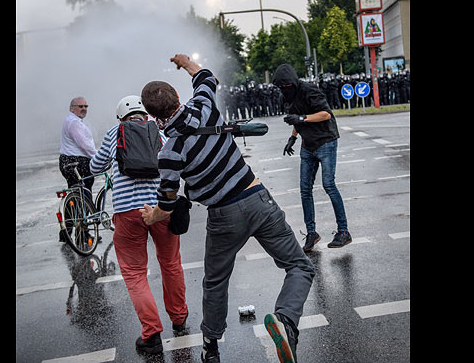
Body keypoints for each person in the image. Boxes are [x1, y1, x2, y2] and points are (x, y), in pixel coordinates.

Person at [139, 54, 315, 363]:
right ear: (179, 98)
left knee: (215, 282)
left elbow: (167, 204)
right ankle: (286, 321)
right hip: (258, 199)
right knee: (299, 266)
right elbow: (205, 76)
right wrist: (185, 61)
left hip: (223, 216)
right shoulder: (204, 106)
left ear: (152, 116)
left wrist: (151, 215)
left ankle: (211, 346)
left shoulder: (169, 151)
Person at [89, 95, 189, 355]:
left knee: (134, 273)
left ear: (121, 116)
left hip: (127, 212)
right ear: (145, 114)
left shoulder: (114, 133)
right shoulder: (158, 131)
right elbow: (173, 159)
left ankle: (152, 334)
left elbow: (96, 165)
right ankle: (179, 319)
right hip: (159, 208)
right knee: (171, 264)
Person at [273, 63, 353, 252]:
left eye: (287, 86)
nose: (284, 90)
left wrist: (302, 119)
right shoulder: (285, 97)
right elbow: (295, 116)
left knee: (328, 185)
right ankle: (312, 233)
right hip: (307, 145)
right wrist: (292, 137)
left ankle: (344, 232)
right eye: (281, 88)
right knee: (304, 190)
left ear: (293, 83)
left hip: (326, 141)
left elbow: (325, 114)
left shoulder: (309, 90)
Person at [59, 96, 97, 242]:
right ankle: (83, 234)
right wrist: (98, 156)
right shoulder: (74, 123)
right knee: (84, 197)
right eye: (80, 106)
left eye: (86, 106)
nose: (84, 109)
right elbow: (84, 145)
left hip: (68, 161)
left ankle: (66, 232)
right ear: (72, 108)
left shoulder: (71, 121)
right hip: (77, 162)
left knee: (74, 196)